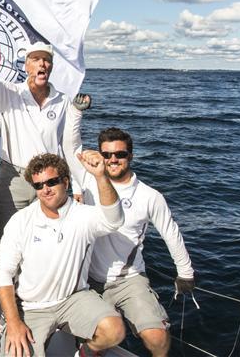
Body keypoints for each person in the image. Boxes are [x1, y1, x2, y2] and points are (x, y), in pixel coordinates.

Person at [0, 0, 80, 322]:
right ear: (26, 65)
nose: (42, 65)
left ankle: (38, 298)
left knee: (47, 239)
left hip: (53, 181)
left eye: (46, 61)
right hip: (14, 177)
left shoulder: (62, 101)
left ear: (51, 67)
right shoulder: (9, 95)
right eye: (35, 60)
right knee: (3, 236)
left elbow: (70, 146)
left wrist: (80, 188)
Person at [74, 126, 195, 357]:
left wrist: (185, 272)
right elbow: (69, 143)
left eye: (120, 154)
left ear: (130, 155)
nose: (113, 159)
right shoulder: (87, 181)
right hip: (87, 279)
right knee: (100, 338)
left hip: (128, 279)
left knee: (157, 338)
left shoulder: (150, 196)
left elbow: (171, 233)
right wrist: (83, 148)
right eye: (106, 154)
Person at [0, 153, 126, 357]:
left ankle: (85, 352)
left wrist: (101, 177)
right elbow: (3, 273)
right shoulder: (20, 221)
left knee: (114, 329)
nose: (45, 189)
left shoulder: (83, 215)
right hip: (31, 307)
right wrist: (13, 322)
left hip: (73, 298)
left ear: (65, 181)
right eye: (38, 185)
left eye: (52, 182)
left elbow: (114, 220)